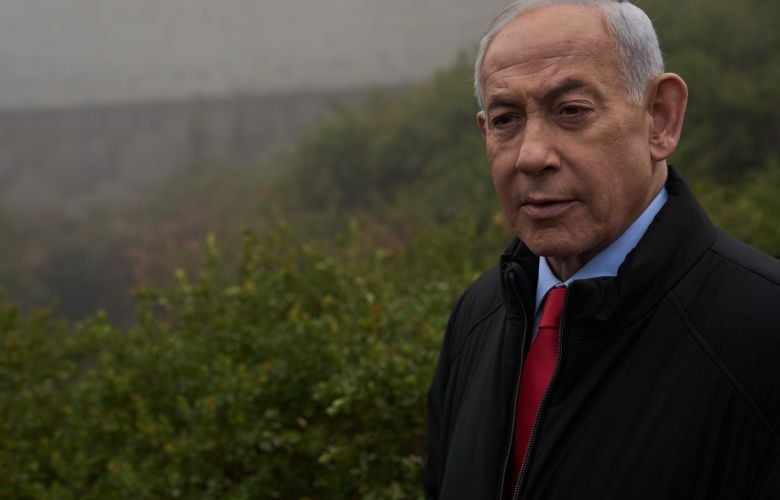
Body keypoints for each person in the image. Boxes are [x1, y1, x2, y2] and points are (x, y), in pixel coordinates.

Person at [422, 1, 780, 498]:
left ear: (660, 118)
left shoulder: (764, 329)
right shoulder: (479, 315)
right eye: (507, 120)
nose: (531, 156)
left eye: (571, 111)